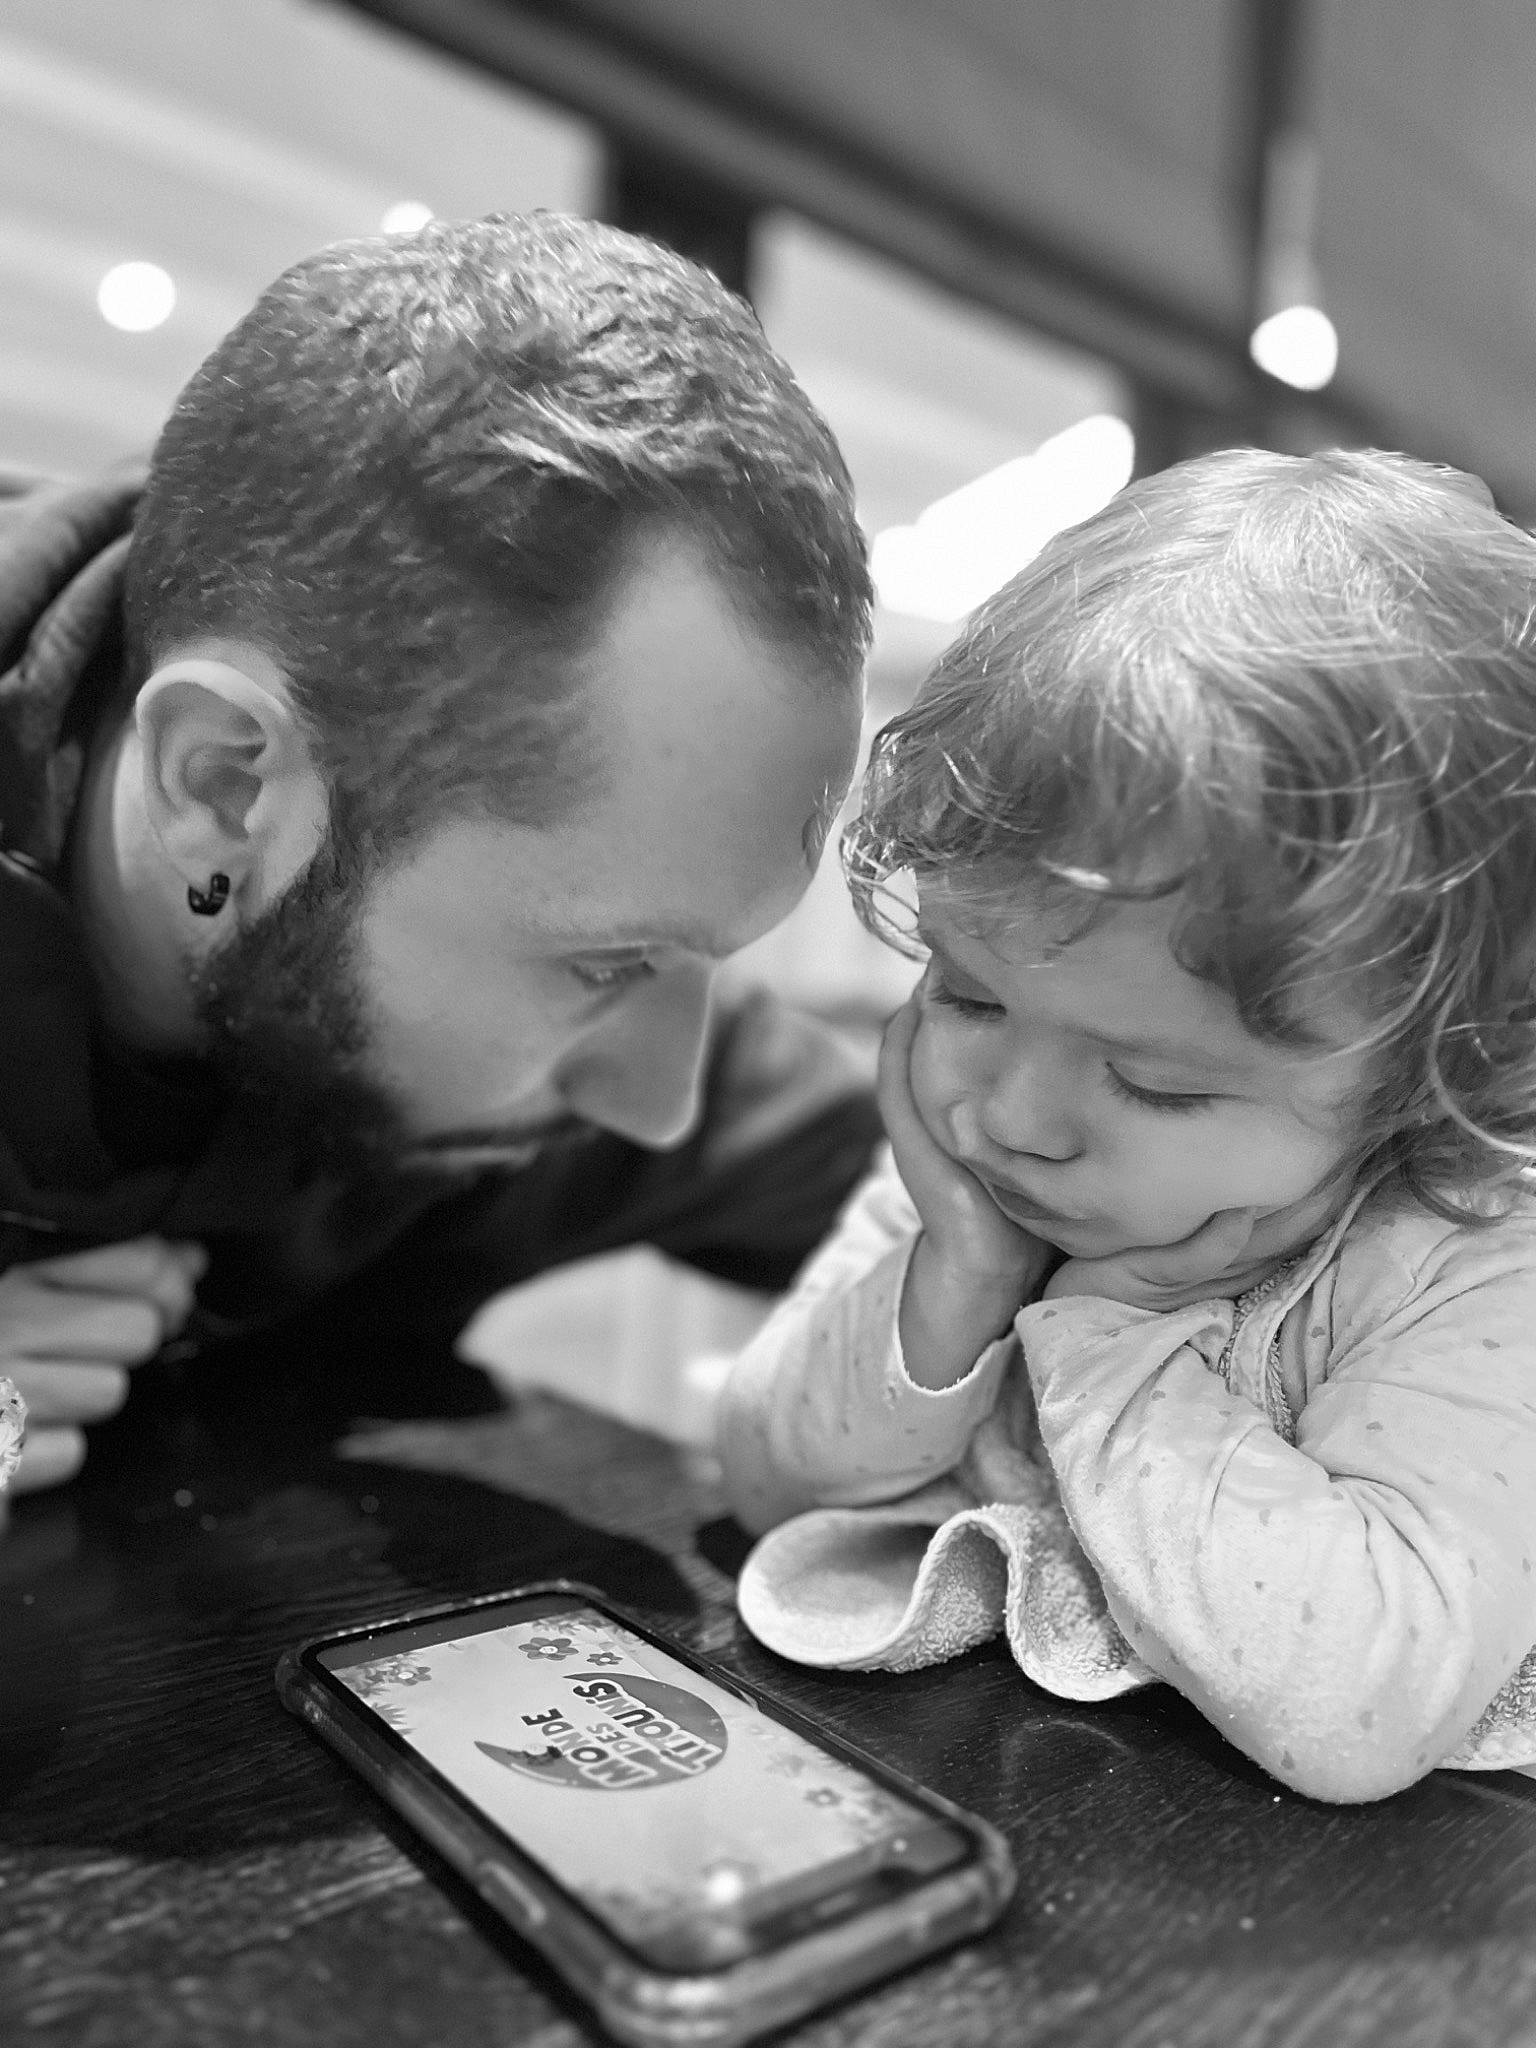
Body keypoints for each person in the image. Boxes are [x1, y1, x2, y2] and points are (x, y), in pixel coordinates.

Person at [0, 211, 882, 1516]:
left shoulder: (570, 980)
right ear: (224, 783)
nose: (660, 1105)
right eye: (607, 965)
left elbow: (940, 1196)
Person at [718, 446, 1536, 1805]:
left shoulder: (1473, 1261)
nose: (1017, 1118)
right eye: (970, 995)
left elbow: (1355, 1707)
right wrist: (958, 1285)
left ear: (1434, 1074)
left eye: (1158, 1084)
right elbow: (760, 1470)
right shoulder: (981, 1185)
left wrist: (1110, 1328)